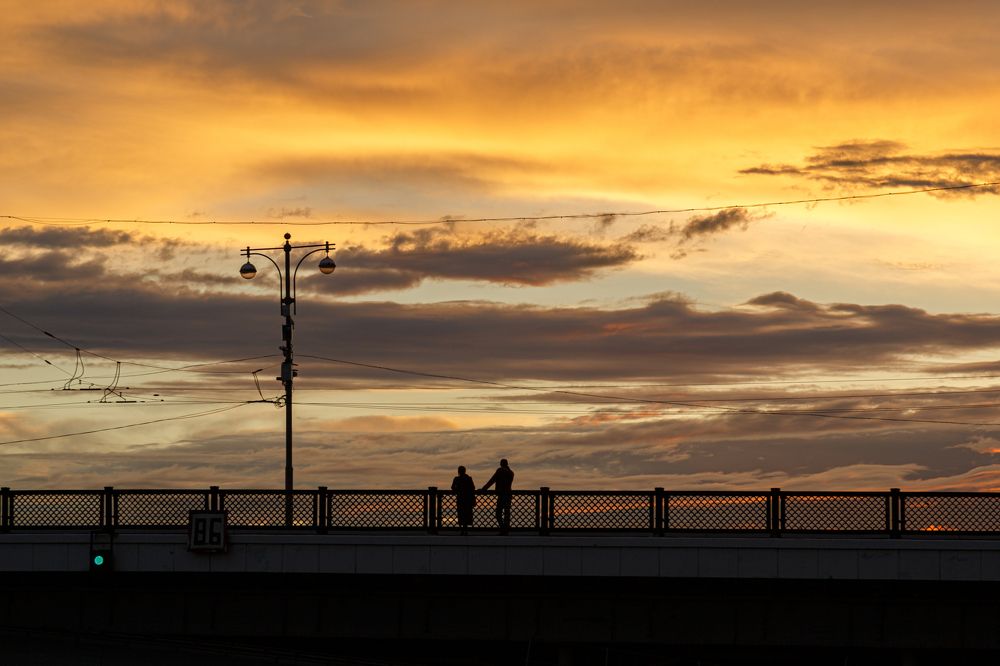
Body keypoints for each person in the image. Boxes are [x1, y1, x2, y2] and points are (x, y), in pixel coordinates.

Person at [481, 458, 514, 534]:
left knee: (498, 513)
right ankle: (506, 529)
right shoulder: (511, 472)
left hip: (502, 494)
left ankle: (503, 529)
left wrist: (484, 489)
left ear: (501, 464)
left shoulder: (500, 470)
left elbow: (492, 480)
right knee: (507, 513)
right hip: (509, 494)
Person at [450, 466, 476, 535]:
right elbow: (473, 488)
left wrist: (457, 490)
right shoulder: (469, 478)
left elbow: (452, 487)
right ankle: (466, 530)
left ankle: (462, 530)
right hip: (468, 500)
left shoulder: (456, 479)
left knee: (461, 514)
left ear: (458, 471)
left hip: (460, 499)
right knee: (467, 514)